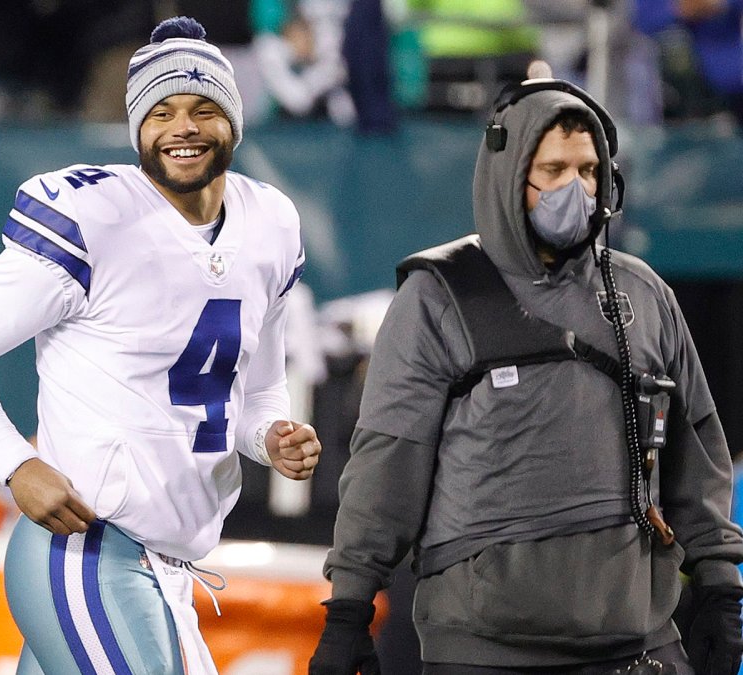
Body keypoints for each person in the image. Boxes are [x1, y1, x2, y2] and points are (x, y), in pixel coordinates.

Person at [0, 16, 321, 674]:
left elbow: (254, 390)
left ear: (234, 120)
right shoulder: (94, 218)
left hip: (171, 566)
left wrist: (270, 432)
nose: (182, 127)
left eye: (202, 108)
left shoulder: (270, 221)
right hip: (87, 550)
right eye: (161, 112)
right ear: (136, 130)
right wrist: (16, 463)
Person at [309, 70, 743, 673]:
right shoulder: (438, 300)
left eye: (589, 171)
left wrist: (721, 587)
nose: (576, 189)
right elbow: (387, 468)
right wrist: (349, 609)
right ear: (510, 176)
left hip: (638, 646)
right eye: (554, 171)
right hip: (484, 653)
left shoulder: (645, 295)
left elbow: (697, 456)